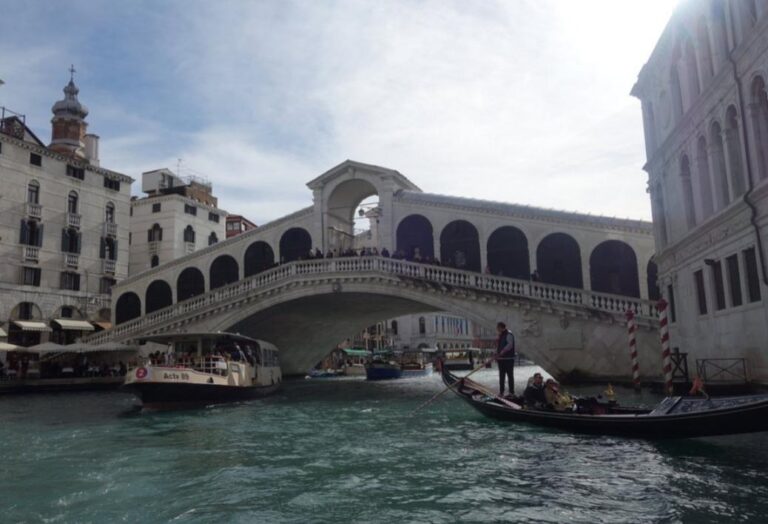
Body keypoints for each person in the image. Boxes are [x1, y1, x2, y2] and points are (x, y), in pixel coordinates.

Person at [495, 322, 515, 397]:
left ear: (500, 327)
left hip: (508, 359)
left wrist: (502, 352)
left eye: (497, 328)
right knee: (501, 376)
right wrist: (496, 353)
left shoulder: (509, 334)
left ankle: (511, 392)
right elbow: (498, 347)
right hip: (501, 359)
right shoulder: (500, 335)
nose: (497, 329)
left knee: (510, 376)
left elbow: (510, 345)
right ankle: (501, 392)